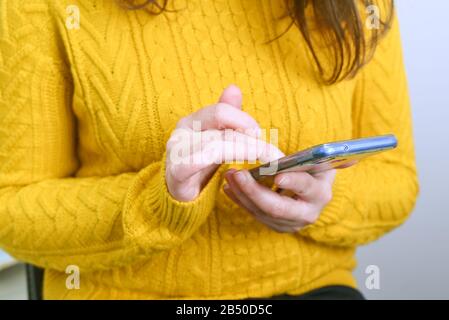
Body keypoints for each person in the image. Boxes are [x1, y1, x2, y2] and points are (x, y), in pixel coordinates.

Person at [0, 0, 418, 299]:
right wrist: (155, 202)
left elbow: (397, 181)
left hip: (310, 289)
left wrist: (325, 200)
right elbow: (11, 207)